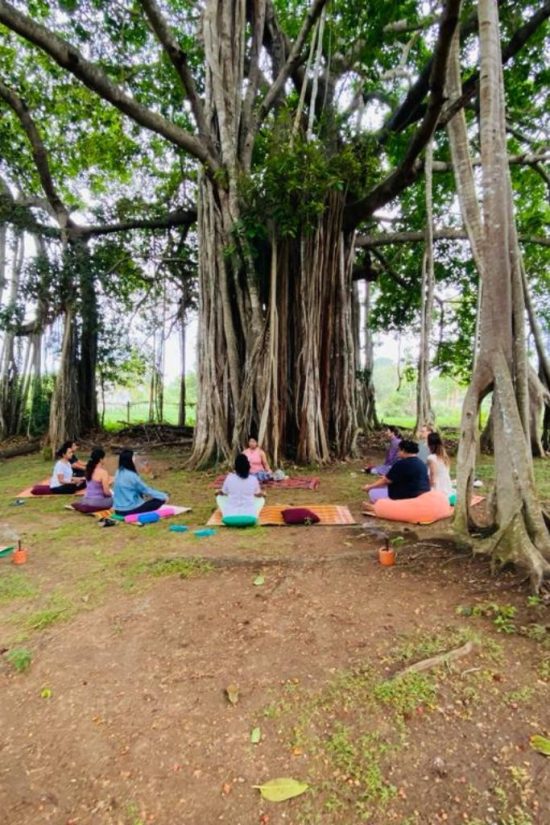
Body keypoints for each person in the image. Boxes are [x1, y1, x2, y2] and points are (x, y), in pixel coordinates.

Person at [362, 439, 430, 512]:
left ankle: (385, 506)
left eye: (399, 450)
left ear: (403, 450)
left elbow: (386, 480)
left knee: (372, 492)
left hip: (407, 495)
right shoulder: (422, 464)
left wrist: (369, 487)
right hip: (422, 494)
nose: (397, 453)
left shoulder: (401, 463)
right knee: (384, 487)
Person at [113, 449, 168, 516]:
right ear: (130, 460)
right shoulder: (132, 475)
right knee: (159, 500)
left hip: (117, 510)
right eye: (134, 458)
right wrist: (163, 496)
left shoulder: (118, 472)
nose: (135, 460)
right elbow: (146, 490)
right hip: (129, 510)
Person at [216, 453, 265, 519]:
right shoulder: (253, 479)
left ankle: (228, 510)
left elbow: (223, 492)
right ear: (248, 466)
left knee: (219, 497)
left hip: (229, 515)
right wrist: (263, 494)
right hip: (250, 515)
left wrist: (217, 492)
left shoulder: (229, 477)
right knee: (261, 499)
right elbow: (257, 494)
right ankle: (252, 511)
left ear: (236, 466)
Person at [426, 432, 453, 497]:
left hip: (438, 489)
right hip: (447, 487)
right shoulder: (444, 456)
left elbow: (433, 478)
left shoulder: (431, 458)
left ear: (429, 444)